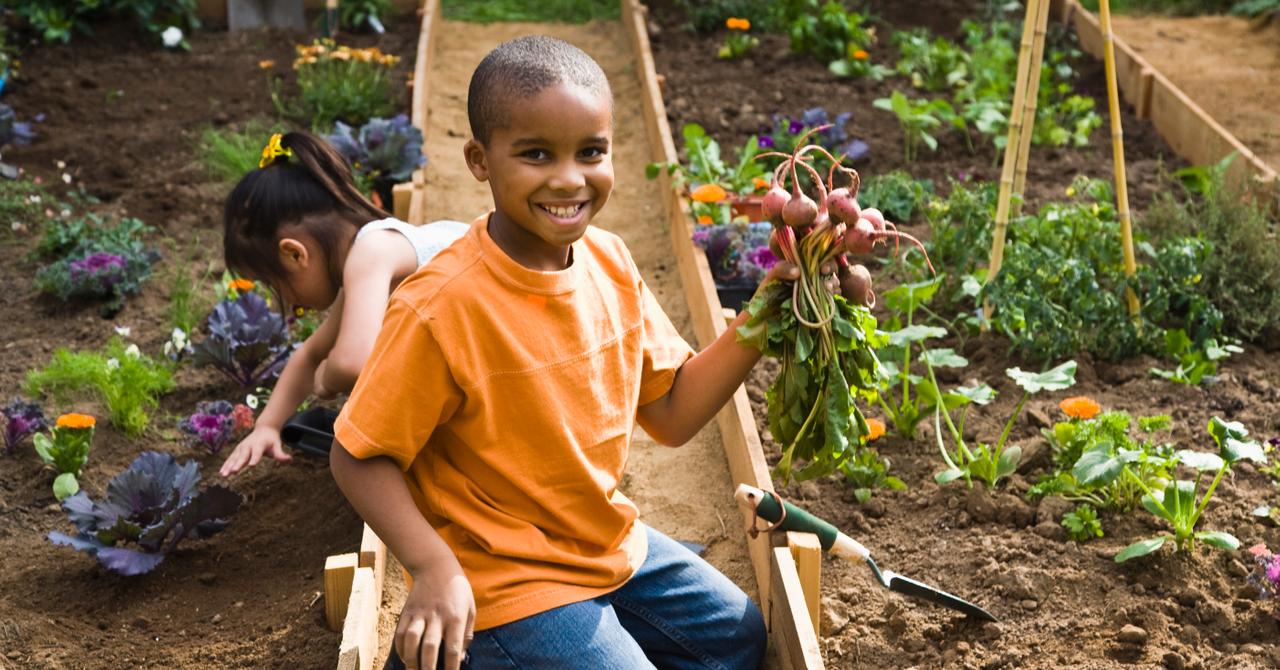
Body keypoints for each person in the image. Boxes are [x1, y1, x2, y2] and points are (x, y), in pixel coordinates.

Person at [330, 36, 859, 670]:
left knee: (739, 640)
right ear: (479, 160)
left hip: (603, 543)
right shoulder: (442, 306)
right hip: (501, 579)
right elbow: (357, 455)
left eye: (591, 152)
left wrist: (774, 299)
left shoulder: (609, 260)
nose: (569, 179)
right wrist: (435, 569)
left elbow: (672, 413)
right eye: (535, 154)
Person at [218, 131, 468, 477]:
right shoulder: (368, 257)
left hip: (523, 364)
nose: (284, 304)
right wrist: (268, 425)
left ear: (294, 254)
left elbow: (351, 362)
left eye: (275, 286)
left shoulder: (371, 252)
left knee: (352, 460)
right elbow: (309, 353)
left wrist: (326, 380)